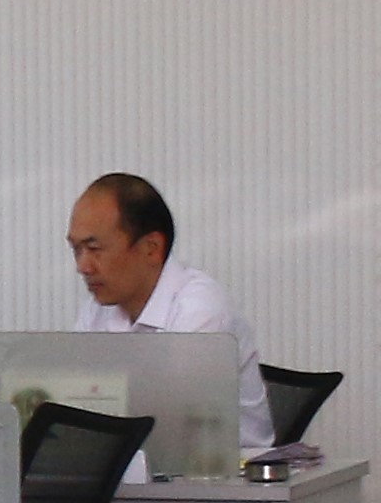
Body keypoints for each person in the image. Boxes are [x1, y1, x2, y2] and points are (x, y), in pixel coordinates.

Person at [65, 170, 273, 453]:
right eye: (76, 250)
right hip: (137, 468)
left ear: (151, 248)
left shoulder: (201, 308)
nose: (83, 267)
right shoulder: (97, 310)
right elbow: (78, 404)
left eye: (94, 249)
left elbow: (173, 425)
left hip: (222, 473)